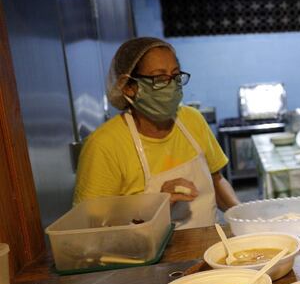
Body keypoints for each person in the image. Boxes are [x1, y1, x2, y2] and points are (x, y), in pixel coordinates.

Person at [74, 37, 239, 229]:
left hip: (207, 245)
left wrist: (244, 217)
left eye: (175, 76)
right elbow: (92, 226)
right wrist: (155, 205)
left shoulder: (192, 120)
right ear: (128, 86)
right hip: (147, 256)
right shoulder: (104, 145)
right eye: (159, 78)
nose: (170, 86)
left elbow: (216, 180)